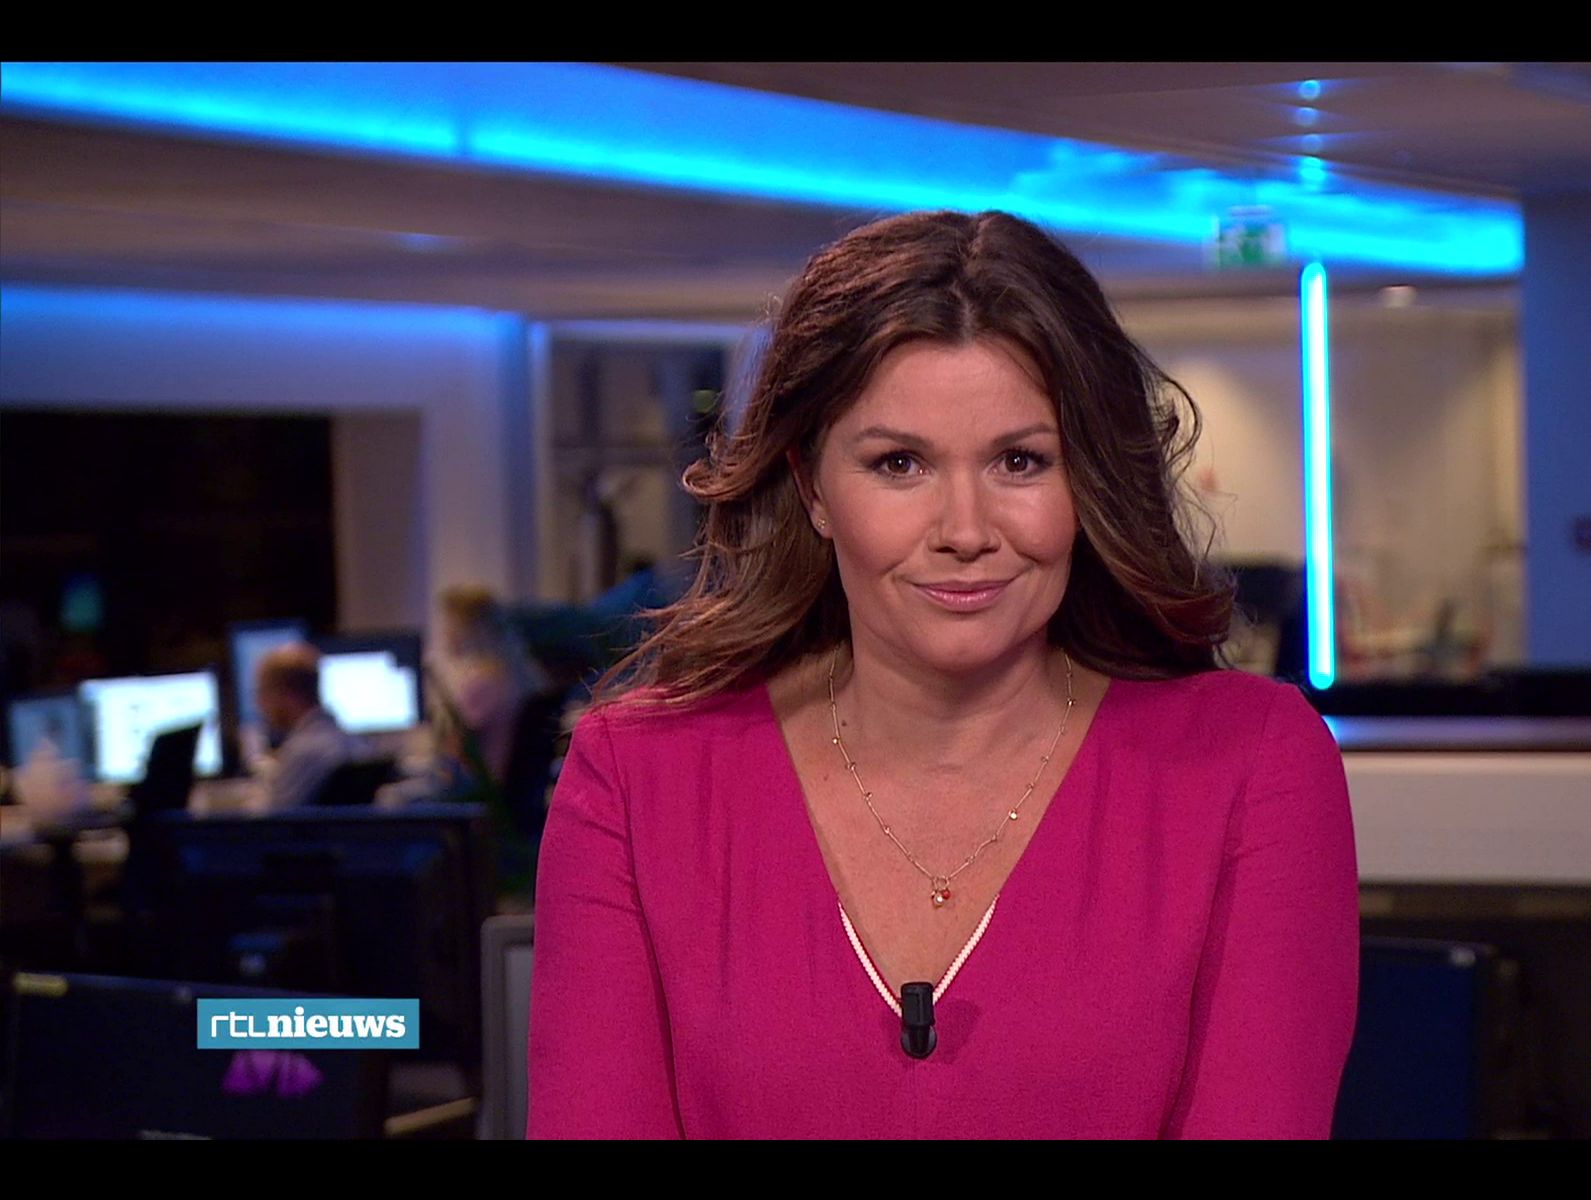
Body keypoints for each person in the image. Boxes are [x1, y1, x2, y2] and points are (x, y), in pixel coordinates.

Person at [528, 210, 1358, 1140]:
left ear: (1088, 481)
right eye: (900, 463)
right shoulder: (637, 778)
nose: (965, 530)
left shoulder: (1252, 764)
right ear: (812, 486)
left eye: (1020, 461)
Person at [431, 584, 546, 791]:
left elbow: (454, 753)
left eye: (450, 625)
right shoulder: (520, 673)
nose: (445, 634)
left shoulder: (482, 684)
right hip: (513, 791)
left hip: (484, 792)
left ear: (469, 629)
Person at [254, 642, 362, 811]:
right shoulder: (354, 742)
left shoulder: (302, 753)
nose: (259, 703)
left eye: (263, 692)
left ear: (286, 694)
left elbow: (271, 820)